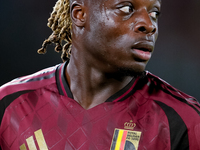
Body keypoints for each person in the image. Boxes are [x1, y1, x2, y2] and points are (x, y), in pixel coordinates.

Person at [0, 0, 199, 149]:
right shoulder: (9, 105)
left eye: (154, 13)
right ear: (79, 14)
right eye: (127, 9)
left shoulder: (184, 121)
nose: (149, 25)